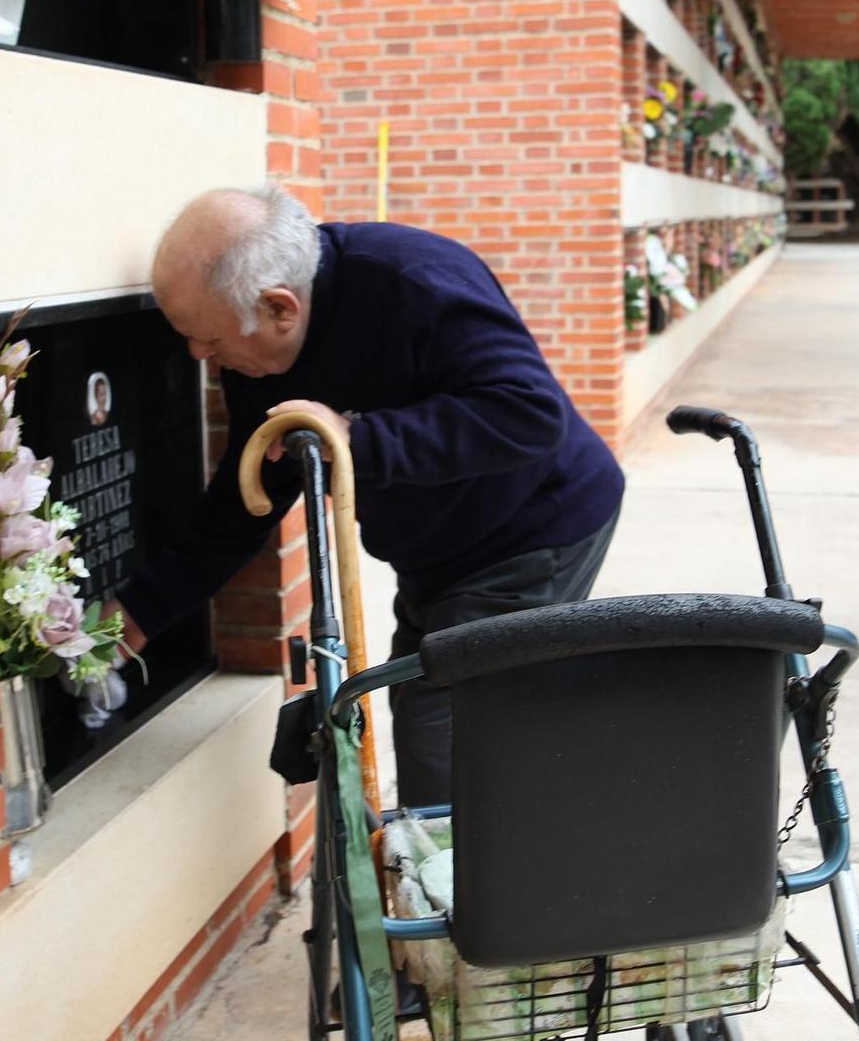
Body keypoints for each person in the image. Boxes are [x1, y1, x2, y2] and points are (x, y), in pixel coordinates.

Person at [104, 184, 624, 802]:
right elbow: (246, 499)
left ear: (279, 309)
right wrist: (141, 611)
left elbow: (529, 414)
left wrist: (353, 438)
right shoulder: (256, 355)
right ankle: (476, 868)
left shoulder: (415, 282)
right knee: (431, 703)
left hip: (533, 525)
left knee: (445, 730)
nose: (198, 354)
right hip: (437, 547)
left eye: (209, 340)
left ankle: (472, 892)